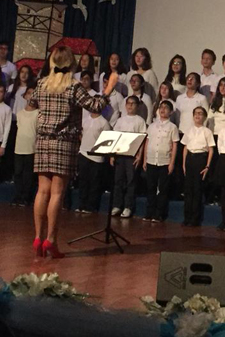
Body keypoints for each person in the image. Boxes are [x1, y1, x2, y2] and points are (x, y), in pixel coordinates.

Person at [32, 46, 115, 258]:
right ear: (71, 63)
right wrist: (108, 89)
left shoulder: (42, 84)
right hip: (63, 142)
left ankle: (38, 237)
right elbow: (95, 106)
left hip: (43, 141)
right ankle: (51, 240)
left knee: (42, 191)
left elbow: (32, 102)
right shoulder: (73, 86)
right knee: (57, 193)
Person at [143, 100, 179, 222]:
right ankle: (149, 212)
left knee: (163, 189)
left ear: (171, 112)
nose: (163, 109)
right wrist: (145, 159)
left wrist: (172, 163)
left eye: (166, 108)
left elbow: (174, 145)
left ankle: (159, 214)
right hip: (151, 160)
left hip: (164, 161)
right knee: (150, 187)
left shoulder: (172, 127)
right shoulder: (152, 126)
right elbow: (147, 142)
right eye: (161, 107)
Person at [111, 96, 146, 219]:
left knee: (131, 181)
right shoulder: (120, 120)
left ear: (137, 106)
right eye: (128, 103)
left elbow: (142, 139)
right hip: (120, 154)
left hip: (132, 155)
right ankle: (117, 205)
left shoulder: (140, 121)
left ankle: (128, 206)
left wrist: (140, 155)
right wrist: (112, 155)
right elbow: (115, 137)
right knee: (118, 181)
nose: (130, 106)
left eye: (133, 103)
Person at [181, 106, 215, 227]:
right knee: (188, 190)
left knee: (197, 190)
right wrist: (184, 163)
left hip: (200, 158)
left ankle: (195, 219)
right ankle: (187, 217)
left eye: (200, 113)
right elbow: (185, 147)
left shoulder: (207, 131)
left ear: (204, 117)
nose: (197, 115)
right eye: (196, 113)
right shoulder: (189, 130)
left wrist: (207, 166)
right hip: (190, 159)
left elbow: (211, 149)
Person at [75, 99, 108, 213]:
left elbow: (106, 140)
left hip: (96, 157)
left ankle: (91, 206)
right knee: (83, 181)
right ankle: (82, 204)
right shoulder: (85, 120)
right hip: (83, 153)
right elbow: (80, 134)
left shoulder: (104, 122)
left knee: (94, 183)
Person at [175, 72, 209, 137]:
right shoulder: (180, 98)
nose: (190, 80)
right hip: (181, 131)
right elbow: (177, 116)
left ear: (198, 84)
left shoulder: (202, 98)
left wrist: (201, 131)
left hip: (196, 133)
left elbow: (206, 117)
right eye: (188, 78)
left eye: (193, 79)